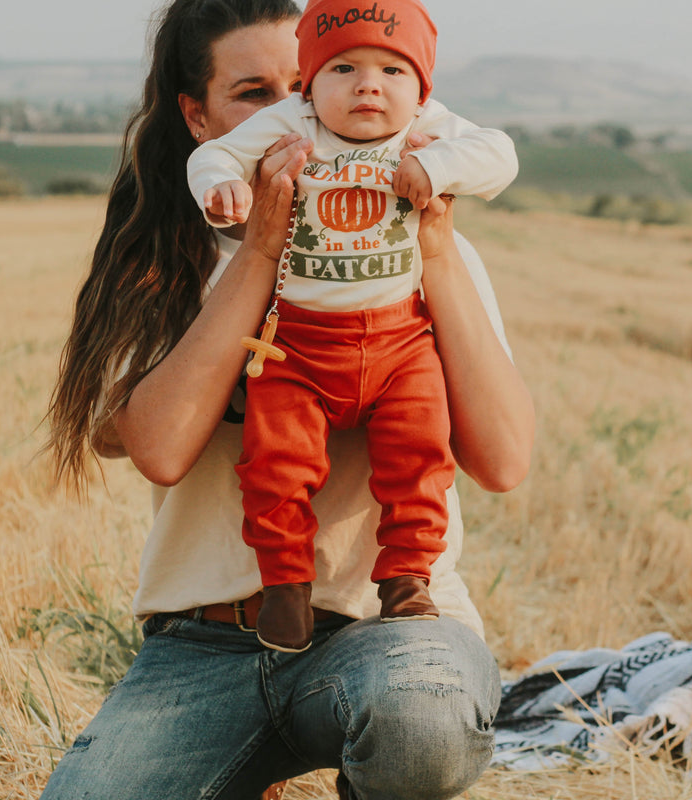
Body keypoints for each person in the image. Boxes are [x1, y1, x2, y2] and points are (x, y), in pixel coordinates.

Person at [40, 0, 533, 798]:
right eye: (253, 94)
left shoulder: (425, 254)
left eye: (303, 85)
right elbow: (161, 450)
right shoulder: (164, 260)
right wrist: (264, 248)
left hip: (391, 633)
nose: (290, 116)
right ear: (200, 119)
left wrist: (435, 250)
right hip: (207, 643)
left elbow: (504, 460)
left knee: (425, 726)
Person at [185, 0, 518, 653]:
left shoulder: (424, 127)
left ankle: (405, 579)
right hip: (299, 342)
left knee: (419, 452)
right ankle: (285, 587)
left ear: (421, 87)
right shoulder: (292, 123)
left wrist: (438, 167)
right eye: (344, 67)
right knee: (274, 462)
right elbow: (214, 157)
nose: (369, 84)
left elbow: (498, 155)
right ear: (311, 80)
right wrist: (221, 186)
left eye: (393, 69)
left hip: (400, 339)